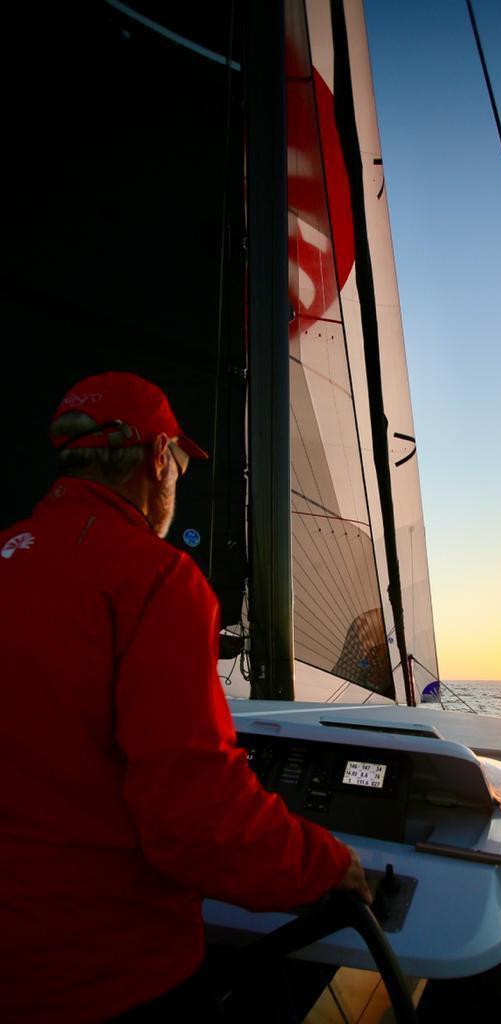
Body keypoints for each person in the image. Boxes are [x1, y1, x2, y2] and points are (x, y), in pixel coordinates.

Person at [0, 372, 371, 1023]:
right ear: (156, 457)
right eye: (178, 462)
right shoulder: (156, 579)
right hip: (104, 976)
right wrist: (326, 864)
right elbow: (196, 822)